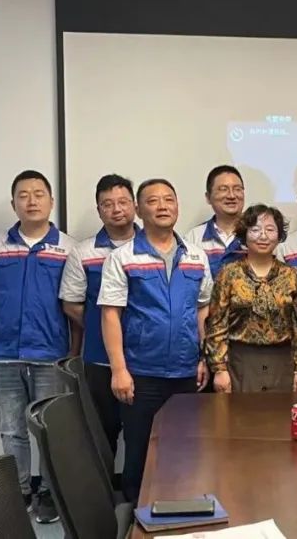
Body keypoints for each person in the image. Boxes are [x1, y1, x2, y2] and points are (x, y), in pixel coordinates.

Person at [0, 169, 75, 524]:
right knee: (11, 428)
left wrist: (73, 353)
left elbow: (74, 304)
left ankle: (50, 491)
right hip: (4, 354)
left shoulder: (68, 248)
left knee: (49, 429)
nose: (31, 201)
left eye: (39, 194)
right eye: (23, 195)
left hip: (50, 355)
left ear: (51, 201)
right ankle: (21, 490)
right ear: (14, 204)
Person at [99, 178, 213, 502]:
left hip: (186, 373)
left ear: (177, 206)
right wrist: (119, 370)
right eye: (153, 201)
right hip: (141, 374)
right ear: (138, 209)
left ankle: (180, 513)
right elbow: (110, 315)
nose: (162, 206)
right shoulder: (123, 257)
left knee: (184, 451)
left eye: (169, 199)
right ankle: (135, 516)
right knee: (138, 452)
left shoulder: (196, 256)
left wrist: (203, 357)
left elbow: (202, 309)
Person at [58, 173, 138, 460]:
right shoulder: (84, 252)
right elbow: (71, 304)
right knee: (101, 435)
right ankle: (103, 489)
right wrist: (105, 326)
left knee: (144, 434)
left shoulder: (154, 246)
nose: (117, 209)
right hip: (100, 360)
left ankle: (140, 487)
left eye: (123, 202)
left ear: (135, 205)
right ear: (99, 210)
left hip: (145, 360)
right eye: (108, 204)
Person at [206, 204, 297, 393]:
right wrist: (219, 368)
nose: (263, 236)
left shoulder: (291, 275)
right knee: (239, 412)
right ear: (244, 234)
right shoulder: (229, 273)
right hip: (240, 362)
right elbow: (216, 323)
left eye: (270, 230)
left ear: (279, 236)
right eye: (255, 230)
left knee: (279, 412)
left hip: (282, 362)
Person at [186, 165, 246, 279]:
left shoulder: (260, 235)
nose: (232, 195)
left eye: (237, 189)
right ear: (208, 197)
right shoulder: (194, 238)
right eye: (223, 189)